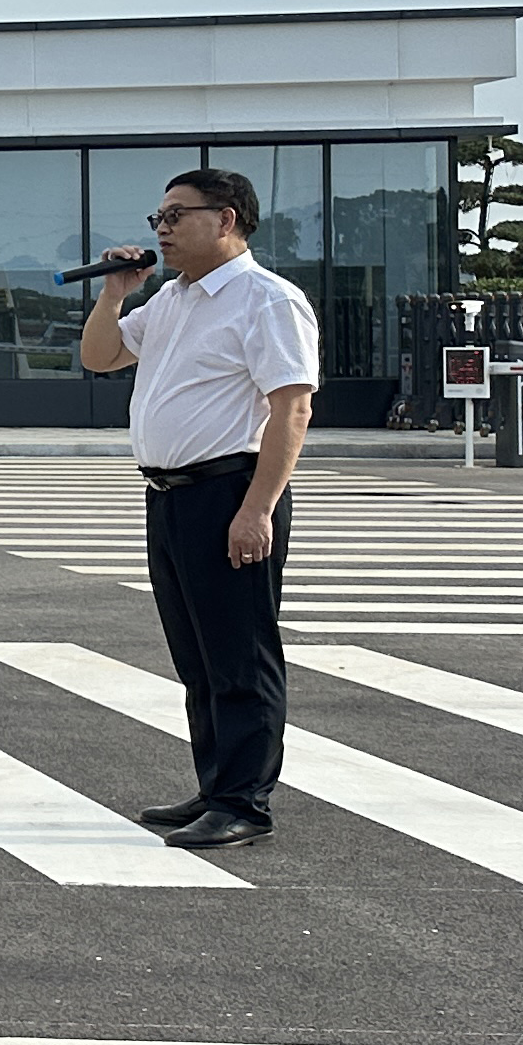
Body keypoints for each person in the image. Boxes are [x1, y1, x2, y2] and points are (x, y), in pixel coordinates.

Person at [80, 166, 319, 853]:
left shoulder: (266, 300)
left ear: (226, 219)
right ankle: (217, 786)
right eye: (158, 218)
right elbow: (101, 357)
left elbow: (292, 409)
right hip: (169, 496)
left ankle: (244, 802)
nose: (162, 229)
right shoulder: (174, 298)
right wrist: (115, 294)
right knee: (198, 657)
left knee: (240, 654)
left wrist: (257, 509)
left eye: (176, 216)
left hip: (229, 490)